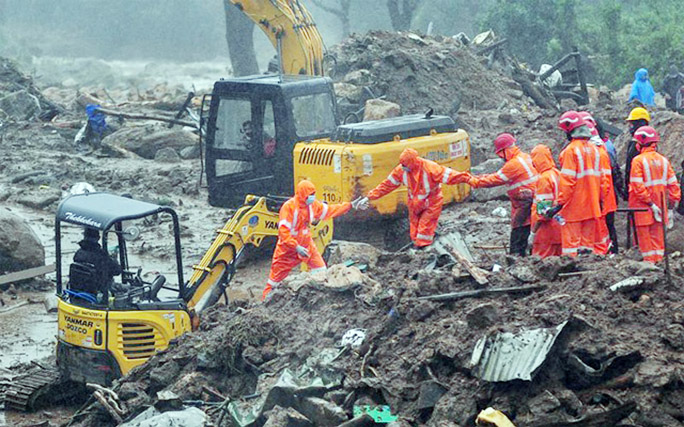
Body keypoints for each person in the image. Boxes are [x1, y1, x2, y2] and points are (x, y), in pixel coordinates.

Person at [263, 180, 366, 299]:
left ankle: (317, 299)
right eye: (310, 194)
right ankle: (263, 304)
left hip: (307, 245)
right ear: (302, 194)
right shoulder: (289, 208)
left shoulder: (313, 205)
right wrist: (296, 246)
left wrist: (350, 205)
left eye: (313, 193)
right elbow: (283, 232)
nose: (312, 197)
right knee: (274, 282)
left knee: (321, 271)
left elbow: (330, 210)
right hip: (287, 250)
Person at [361, 148, 471, 248]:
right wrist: (370, 196)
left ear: (412, 163)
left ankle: (424, 249)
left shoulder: (430, 168)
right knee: (415, 231)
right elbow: (387, 185)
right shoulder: (402, 170)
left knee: (424, 230)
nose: (403, 167)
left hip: (431, 202)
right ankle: (419, 248)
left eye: (405, 165)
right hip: (415, 204)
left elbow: (452, 176)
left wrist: (472, 180)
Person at [468, 133, 538, 256]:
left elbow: (494, 179)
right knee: (527, 230)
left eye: (500, 154)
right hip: (531, 199)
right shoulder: (524, 157)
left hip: (525, 203)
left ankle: (517, 256)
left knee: (519, 231)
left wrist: (473, 181)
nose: (501, 157)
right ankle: (526, 254)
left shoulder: (513, 165)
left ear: (505, 151)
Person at [552, 111, 603, 257]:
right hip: (591, 207)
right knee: (587, 248)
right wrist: (599, 201)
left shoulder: (570, 151)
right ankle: (586, 275)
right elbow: (601, 180)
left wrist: (559, 204)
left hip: (574, 208)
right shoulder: (595, 150)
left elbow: (568, 181)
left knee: (571, 249)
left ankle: (571, 275)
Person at [628, 126, 681, 263]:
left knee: (645, 243)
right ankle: (658, 265)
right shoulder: (664, 160)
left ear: (640, 144)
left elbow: (637, 187)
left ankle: (649, 268)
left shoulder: (638, 161)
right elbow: (674, 186)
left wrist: (650, 203)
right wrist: (669, 207)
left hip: (643, 209)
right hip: (660, 209)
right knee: (658, 242)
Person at [581, 112, 615, 254]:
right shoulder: (602, 149)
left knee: (599, 233)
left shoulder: (591, 151)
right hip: (604, 199)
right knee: (605, 233)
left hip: (596, 201)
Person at [528, 144, 562, 258]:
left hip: (546, 234)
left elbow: (544, 212)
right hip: (560, 228)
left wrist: (533, 233)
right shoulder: (557, 173)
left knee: (542, 265)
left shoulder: (544, 179)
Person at [624, 107, 651, 198]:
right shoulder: (641, 143)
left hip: (639, 191)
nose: (630, 127)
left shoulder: (639, 145)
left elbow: (632, 169)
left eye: (632, 124)